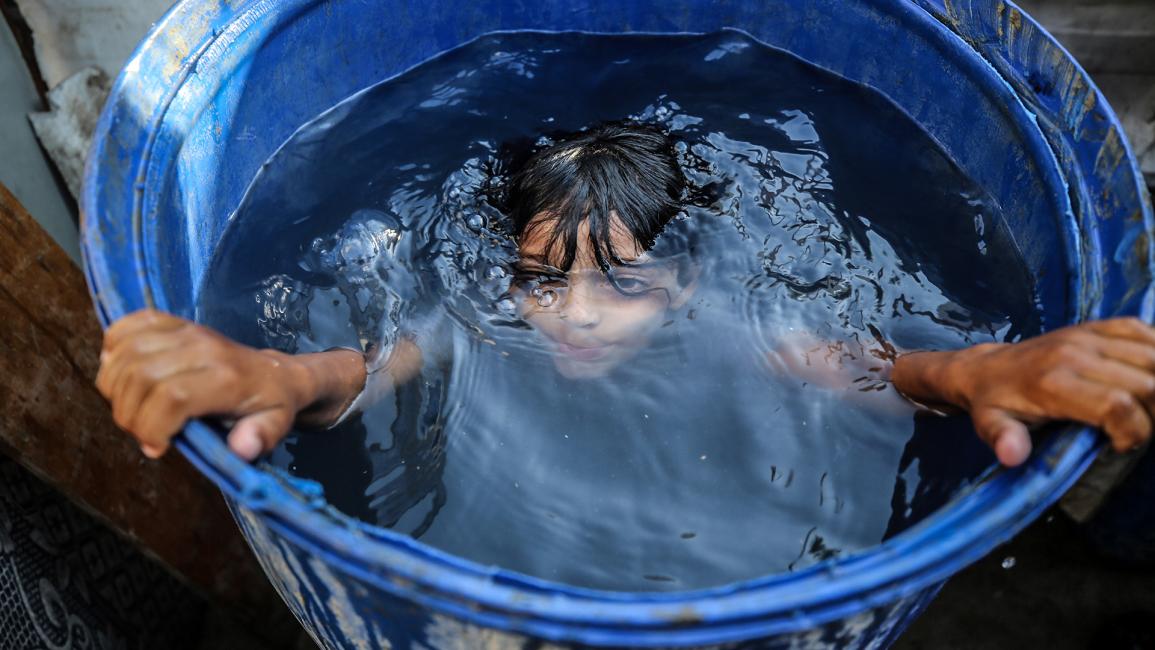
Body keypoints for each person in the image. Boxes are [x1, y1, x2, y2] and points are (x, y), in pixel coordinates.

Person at [96, 121, 1155, 469]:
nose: (581, 312)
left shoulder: (731, 324)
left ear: (686, 281)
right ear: (501, 269)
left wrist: (980, 369)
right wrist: (259, 371)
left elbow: (871, 365)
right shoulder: (479, 326)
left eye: (628, 286)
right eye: (540, 279)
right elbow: (361, 366)